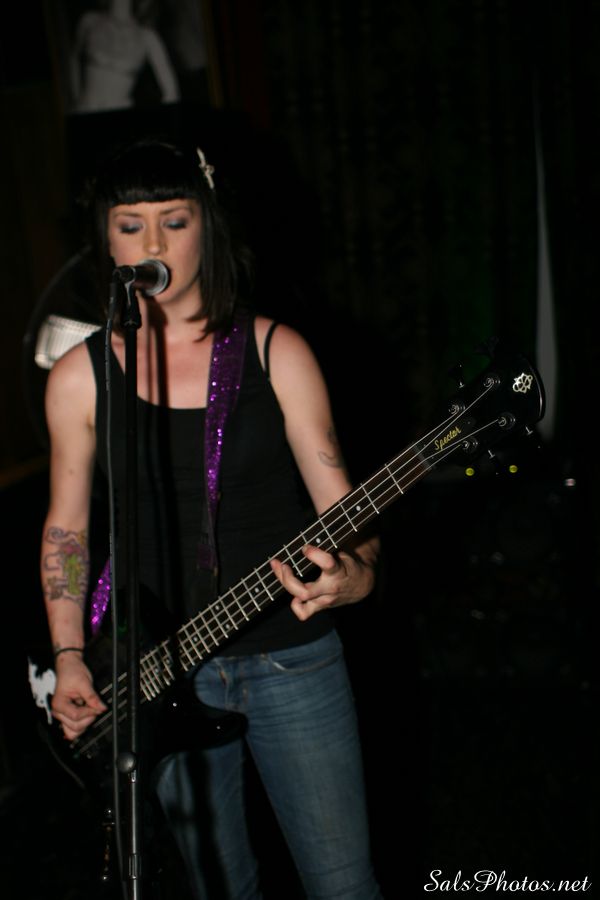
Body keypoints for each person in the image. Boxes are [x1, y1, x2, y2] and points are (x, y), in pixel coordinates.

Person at [40, 137, 382, 899]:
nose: (154, 245)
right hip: (156, 669)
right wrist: (69, 656)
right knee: (220, 887)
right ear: (106, 239)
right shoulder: (79, 376)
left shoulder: (275, 350)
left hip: (291, 656)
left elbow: (344, 505)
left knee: (343, 884)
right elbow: (67, 529)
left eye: (175, 220)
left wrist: (358, 574)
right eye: (130, 225)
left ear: (208, 225)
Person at [70, 0, 180, 113]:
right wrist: (76, 98)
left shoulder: (147, 37)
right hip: (83, 107)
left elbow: (171, 93)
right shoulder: (89, 21)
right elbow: (73, 58)